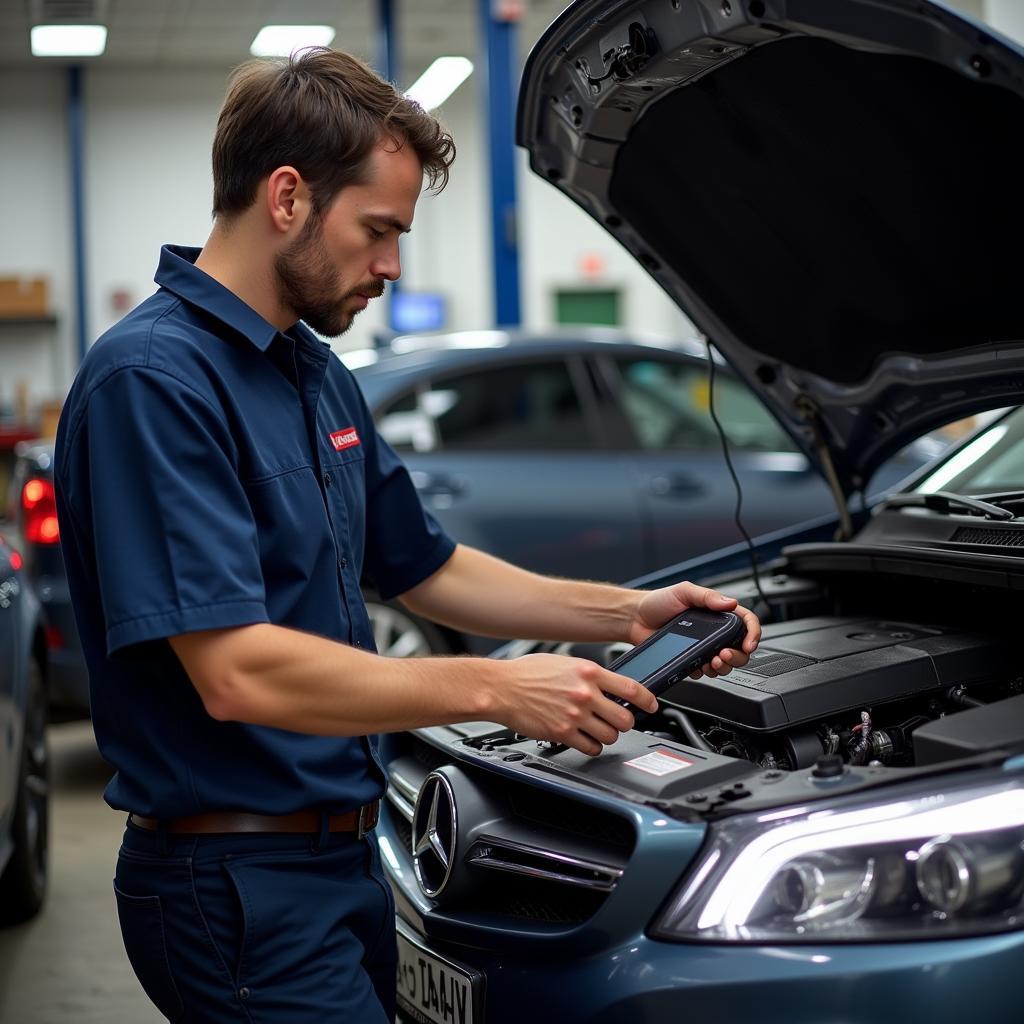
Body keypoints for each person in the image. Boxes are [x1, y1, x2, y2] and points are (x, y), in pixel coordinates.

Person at [54, 47, 760, 1024]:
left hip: (344, 854)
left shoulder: (311, 371)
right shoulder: (156, 384)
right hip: (233, 878)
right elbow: (236, 672)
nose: (391, 266)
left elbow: (426, 567)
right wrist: (496, 686)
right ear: (288, 196)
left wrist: (629, 609)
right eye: (378, 230)